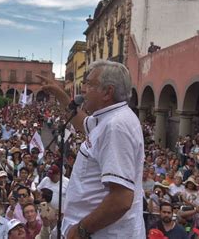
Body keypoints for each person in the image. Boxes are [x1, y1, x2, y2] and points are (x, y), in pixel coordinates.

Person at [36, 60, 145, 238]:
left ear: (107, 92)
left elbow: (121, 199)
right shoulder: (107, 118)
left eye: (89, 84)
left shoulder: (115, 126)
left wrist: (81, 229)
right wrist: (60, 94)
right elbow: (80, 122)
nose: (84, 89)